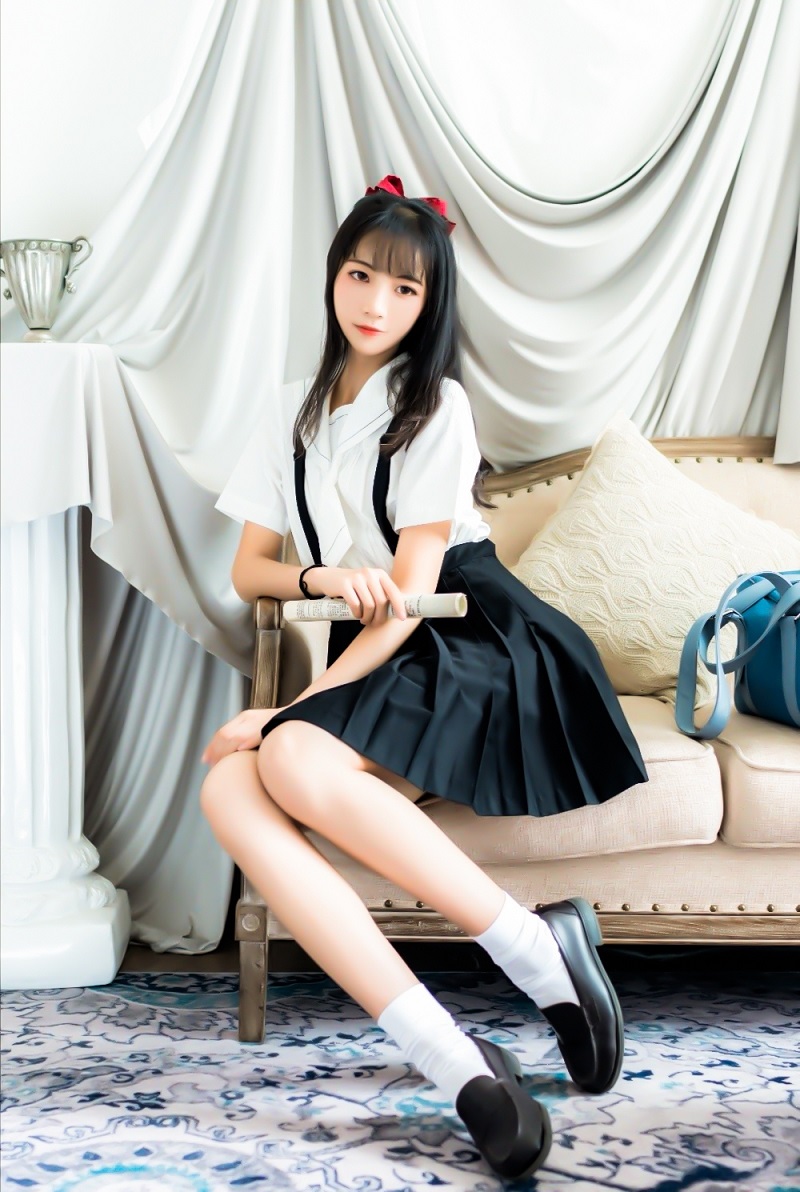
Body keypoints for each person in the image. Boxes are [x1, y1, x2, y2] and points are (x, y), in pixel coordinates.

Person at [203, 173, 649, 1181]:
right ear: (334, 275)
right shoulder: (288, 411)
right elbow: (248, 569)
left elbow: (409, 599)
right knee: (226, 786)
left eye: (404, 289)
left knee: (286, 759)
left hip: (472, 630)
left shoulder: (435, 405)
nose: (376, 304)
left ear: (428, 303)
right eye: (361, 276)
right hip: (382, 637)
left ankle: (532, 954)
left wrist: (281, 712)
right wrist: (321, 577)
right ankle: (459, 1064)